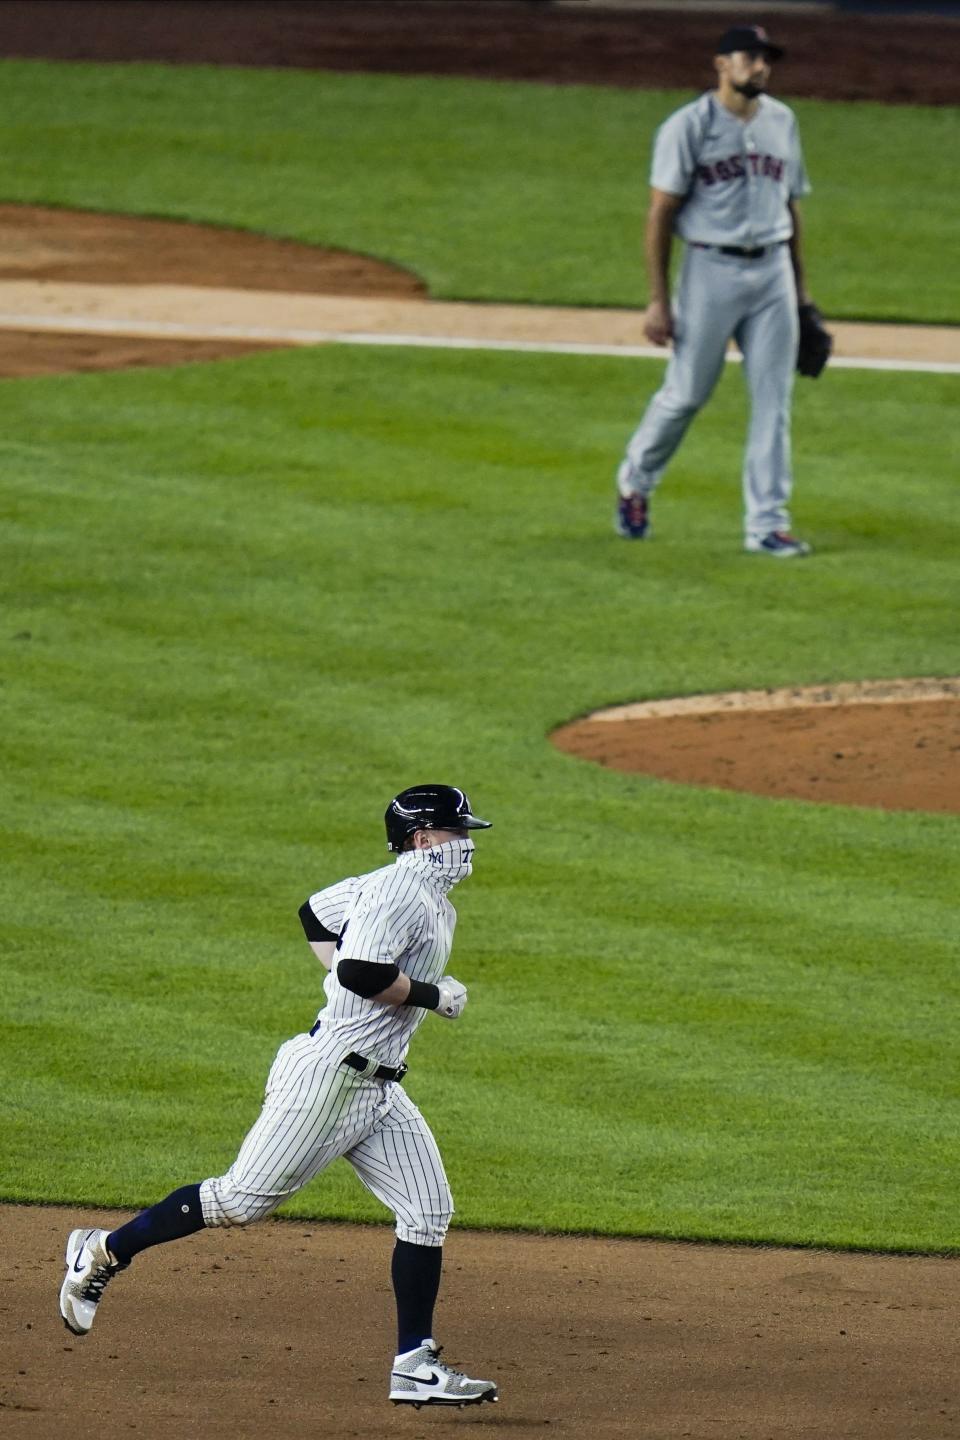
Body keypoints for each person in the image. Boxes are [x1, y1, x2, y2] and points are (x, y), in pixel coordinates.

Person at [58, 784, 499, 1412]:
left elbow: (315, 913)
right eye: (458, 834)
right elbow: (359, 973)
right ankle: (101, 1250)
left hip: (379, 1088)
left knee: (428, 1209)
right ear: (424, 840)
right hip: (329, 1080)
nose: (467, 847)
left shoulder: (410, 891)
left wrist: (348, 989)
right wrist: (433, 996)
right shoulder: (402, 891)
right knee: (239, 1201)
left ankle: (414, 1365)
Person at [615, 23, 815, 557]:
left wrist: (803, 294)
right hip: (710, 272)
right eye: (749, 57)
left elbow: (790, 206)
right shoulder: (687, 127)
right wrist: (659, 299)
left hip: (772, 271)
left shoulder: (783, 121)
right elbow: (660, 215)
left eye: (766, 58)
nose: (760, 67)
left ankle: (767, 524)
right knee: (686, 394)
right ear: (721, 65)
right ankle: (636, 481)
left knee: (774, 401)